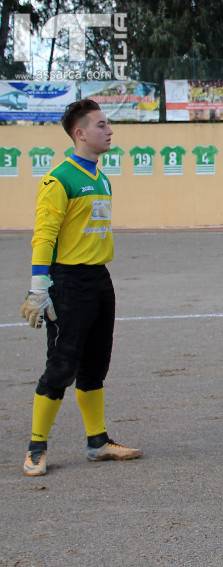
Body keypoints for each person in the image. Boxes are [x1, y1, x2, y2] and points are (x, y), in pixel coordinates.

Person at [20, 98, 142, 477]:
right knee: (61, 365)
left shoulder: (100, 177)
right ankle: (36, 447)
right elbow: (45, 234)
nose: (109, 131)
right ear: (80, 133)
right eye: (101, 125)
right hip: (68, 282)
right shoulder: (60, 179)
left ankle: (97, 441)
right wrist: (39, 287)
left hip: (98, 279)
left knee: (95, 363)